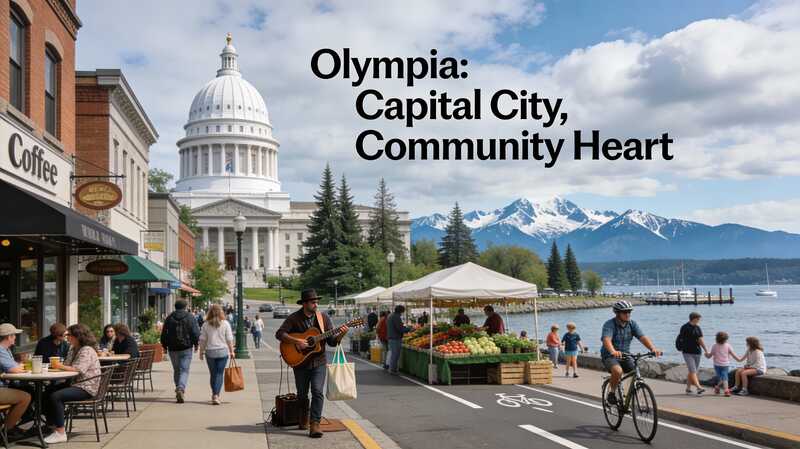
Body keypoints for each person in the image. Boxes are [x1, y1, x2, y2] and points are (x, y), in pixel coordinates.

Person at [275, 289, 349, 438]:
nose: (316, 304)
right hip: (300, 363)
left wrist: (341, 334)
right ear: (304, 303)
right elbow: (280, 334)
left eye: (316, 302)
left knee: (317, 391)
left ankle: (315, 424)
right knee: (302, 394)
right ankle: (303, 418)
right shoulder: (294, 318)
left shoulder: (323, 318)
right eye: (313, 302)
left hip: (319, 362)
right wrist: (297, 341)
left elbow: (332, 342)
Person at [43, 324, 101, 444]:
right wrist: (56, 367)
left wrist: (59, 366)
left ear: (77, 336)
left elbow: (79, 369)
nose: (66, 337)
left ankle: (60, 433)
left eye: (69, 335)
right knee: (47, 391)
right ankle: (51, 425)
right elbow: (67, 365)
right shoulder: (73, 348)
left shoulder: (87, 350)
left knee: (56, 396)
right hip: (75, 383)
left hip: (86, 387)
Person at [601, 301, 662, 406]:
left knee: (635, 372)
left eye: (629, 312)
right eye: (625, 312)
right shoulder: (609, 324)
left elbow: (642, 337)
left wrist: (653, 349)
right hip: (610, 355)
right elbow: (606, 339)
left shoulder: (632, 324)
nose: (628, 314)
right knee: (618, 371)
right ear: (617, 313)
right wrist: (613, 351)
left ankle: (628, 396)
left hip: (625, 355)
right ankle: (612, 393)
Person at [161, 299, 201, 404]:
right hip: (186, 347)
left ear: (175, 306)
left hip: (172, 348)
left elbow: (164, 333)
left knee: (177, 370)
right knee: (184, 370)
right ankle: (181, 388)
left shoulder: (169, 317)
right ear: (185, 306)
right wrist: (196, 344)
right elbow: (195, 332)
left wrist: (164, 346)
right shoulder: (190, 317)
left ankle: (178, 387)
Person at [0, 324, 32, 441]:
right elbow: (13, 369)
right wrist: (24, 366)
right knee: (25, 397)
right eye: (14, 335)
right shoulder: (1, 350)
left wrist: (20, 366)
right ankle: (7, 431)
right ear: (9, 336)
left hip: (4, 386)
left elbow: (14, 366)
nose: (15, 338)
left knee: (28, 389)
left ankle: (12, 425)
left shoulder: (6, 350)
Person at [198, 304, 234, 405]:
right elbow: (229, 339)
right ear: (221, 312)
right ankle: (216, 395)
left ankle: (214, 394)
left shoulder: (205, 325)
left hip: (210, 352)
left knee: (213, 374)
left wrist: (201, 352)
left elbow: (203, 340)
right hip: (222, 352)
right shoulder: (225, 323)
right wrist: (232, 351)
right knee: (219, 374)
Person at [677, 312, 709, 395]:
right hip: (687, 352)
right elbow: (681, 338)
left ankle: (688, 389)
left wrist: (706, 350)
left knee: (692, 371)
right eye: (698, 319)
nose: (699, 320)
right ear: (694, 318)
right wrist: (681, 347)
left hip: (697, 352)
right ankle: (698, 387)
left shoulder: (698, 328)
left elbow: (700, 340)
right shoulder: (684, 327)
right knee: (692, 370)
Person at [705, 331, 741, 397]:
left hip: (717, 365)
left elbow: (710, 355)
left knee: (723, 377)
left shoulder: (714, 346)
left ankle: (726, 390)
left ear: (717, 338)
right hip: (725, 364)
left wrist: (706, 355)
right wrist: (739, 360)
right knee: (723, 378)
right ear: (726, 339)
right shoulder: (728, 346)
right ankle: (718, 387)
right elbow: (733, 354)